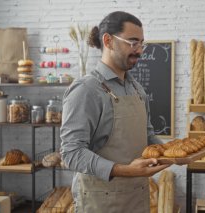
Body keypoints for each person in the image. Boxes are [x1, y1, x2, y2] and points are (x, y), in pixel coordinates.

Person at [60, 11, 171, 212]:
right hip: (101, 203)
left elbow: (147, 136)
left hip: (137, 199)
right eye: (132, 42)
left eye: (141, 44)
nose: (139, 51)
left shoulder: (137, 89)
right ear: (108, 41)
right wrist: (125, 170)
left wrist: (172, 153)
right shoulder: (86, 90)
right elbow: (71, 153)